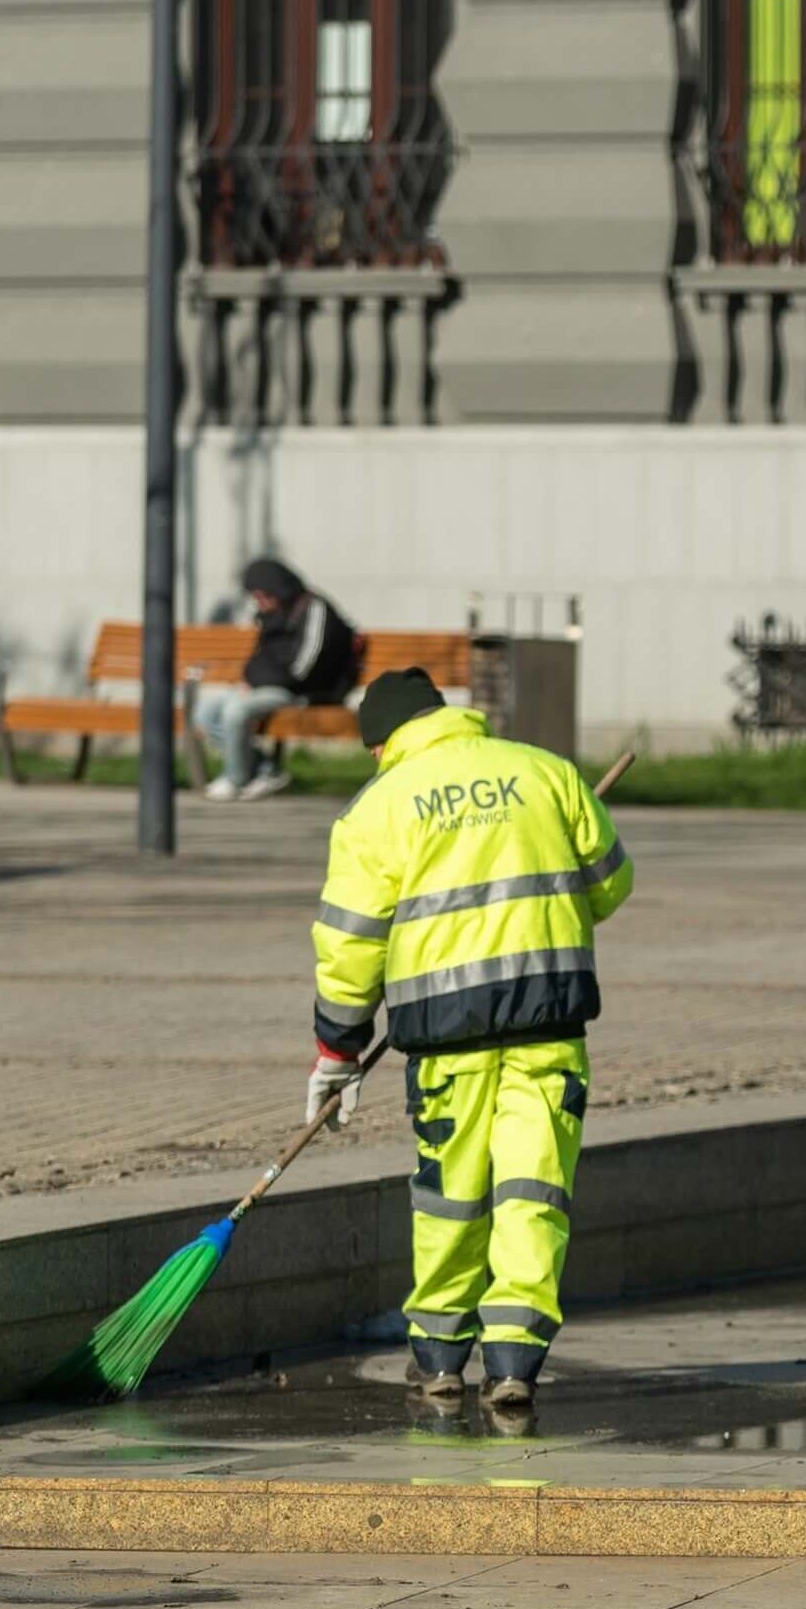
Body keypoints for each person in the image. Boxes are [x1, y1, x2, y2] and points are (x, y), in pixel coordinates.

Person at [308, 668, 633, 1409]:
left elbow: (350, 944)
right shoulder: (547, 773)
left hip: (446, 1038)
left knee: (450, 1196)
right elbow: (611, 886)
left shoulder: (377, 809)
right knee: (532, 1192)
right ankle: (514, 1364)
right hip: (548, 1025)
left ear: (382, 743)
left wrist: (339, 1049)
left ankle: (439, 1358)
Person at [198, 555, 358, 801]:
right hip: (262, 687)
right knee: (206, 711)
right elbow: (260, 657)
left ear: (278, 588)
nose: (259, 602)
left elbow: (304, 667)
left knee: (235, 712)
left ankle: (236, 779)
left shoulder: (315, 609)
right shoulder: (271, 615)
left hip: (300, 692)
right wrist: (250, 681)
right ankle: (265, 768)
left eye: (262, 595)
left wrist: (261, 681)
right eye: (255, 596)